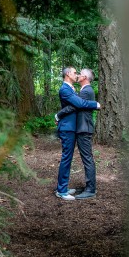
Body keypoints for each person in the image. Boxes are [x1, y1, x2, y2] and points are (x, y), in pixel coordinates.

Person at [54, 67, 100, 200]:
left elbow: (75, 105)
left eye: (79, 73)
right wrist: (95, 104)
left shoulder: (76, 89)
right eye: (75, 72)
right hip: (68, 128)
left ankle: (67, 188)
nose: (77, 75)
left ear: (85, 77)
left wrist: (58, 115)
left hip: (76, 128)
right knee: (66, 158)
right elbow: (78, 104)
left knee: (71, 158)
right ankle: (62, 190)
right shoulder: (65, 89)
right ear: (68, 74)